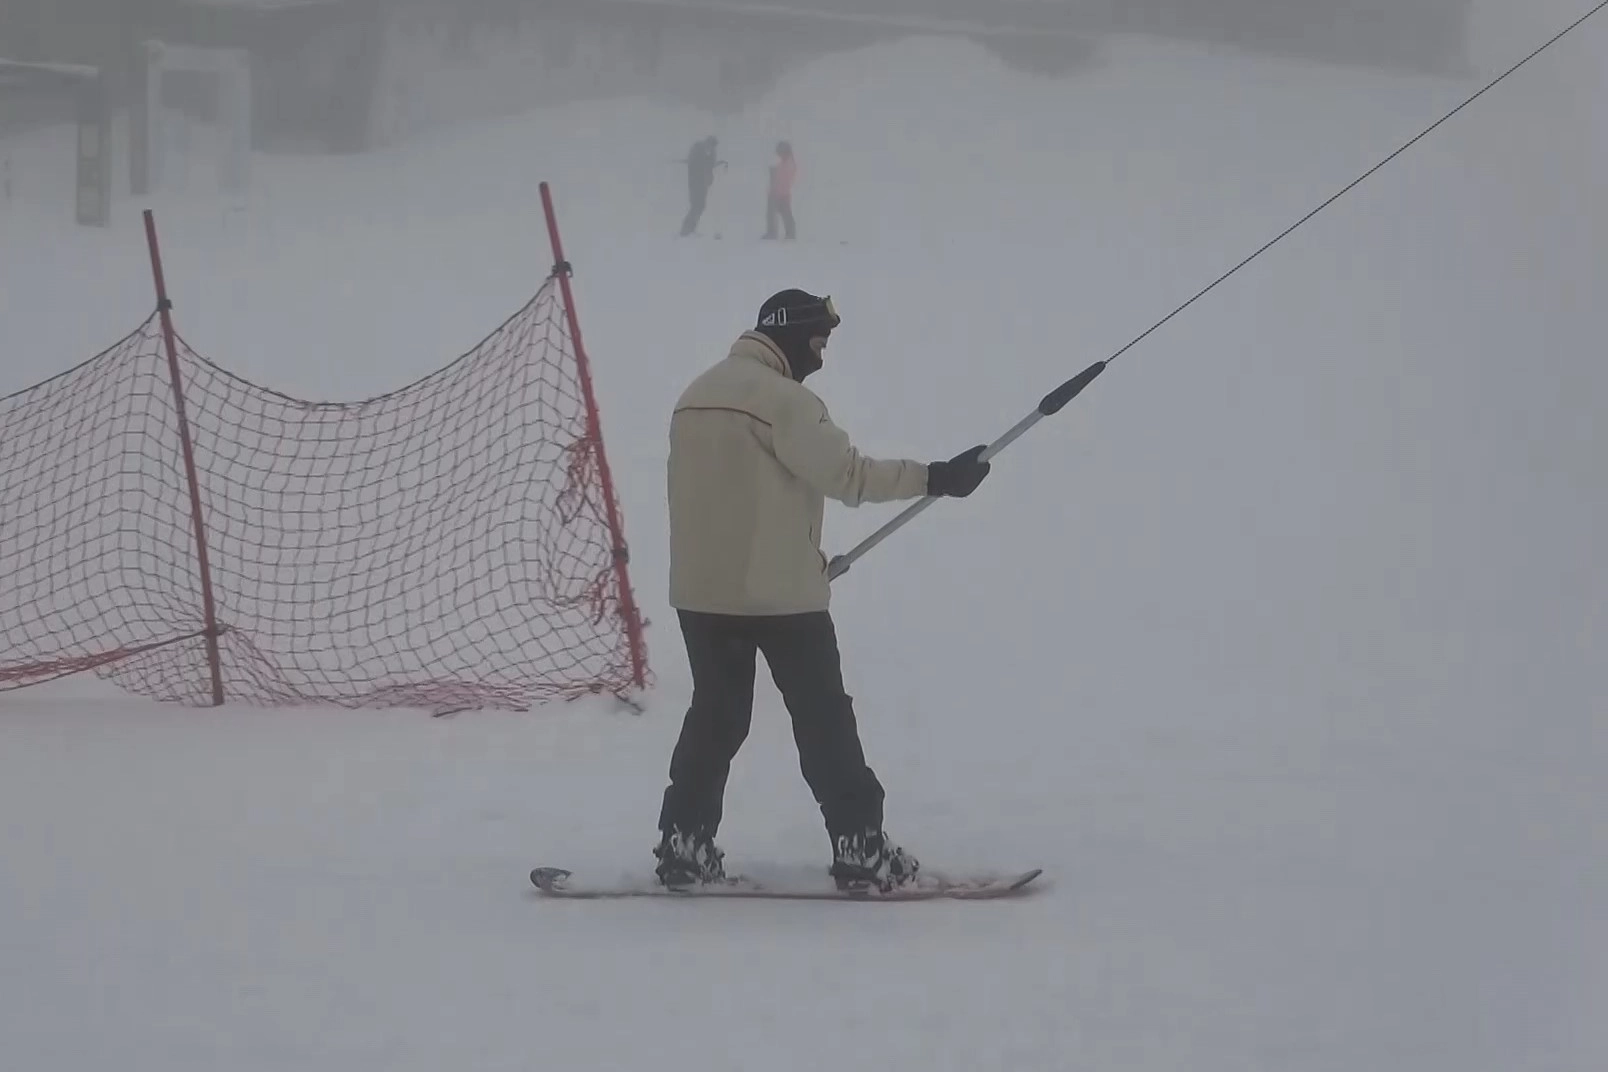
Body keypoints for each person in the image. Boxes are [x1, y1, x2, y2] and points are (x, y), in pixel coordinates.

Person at [654, 288, 993, 892]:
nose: (822, 357)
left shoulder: (693, 396)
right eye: (819, 342)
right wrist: (935, 477)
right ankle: (860, 847)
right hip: (782, 600)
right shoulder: (786, 402)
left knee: (716, 716)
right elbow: (850, 476)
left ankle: (685, 840)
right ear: (790, 334)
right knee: (822, 721)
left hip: (702, 598)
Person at [680, 135, 725, 236]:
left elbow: (709, 167)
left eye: (713, 147)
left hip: (702, 184)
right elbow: (696, 166)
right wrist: (705, 167)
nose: (712, 148)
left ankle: (690, 228)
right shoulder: (697, 150)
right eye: (711, 145)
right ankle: (686, 229)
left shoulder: (709, 153)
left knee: (700, 206)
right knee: (696, 205)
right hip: (695, 183)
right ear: (707, 143)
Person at [763, 140, 797, 240]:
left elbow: (783, 178)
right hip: (780, 192)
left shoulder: (789, 163)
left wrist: (774, 173)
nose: (779, 155)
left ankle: (782, 233)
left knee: (783, 213)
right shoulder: (786, 162)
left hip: (780, 193)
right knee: (779, 213)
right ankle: (781, 233)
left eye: (780, 152)